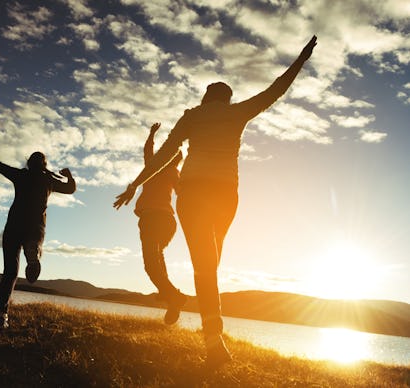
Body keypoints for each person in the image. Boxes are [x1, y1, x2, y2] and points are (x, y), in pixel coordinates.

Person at [114, 36, 317, 367]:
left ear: (208, 96)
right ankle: (214, 339)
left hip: (194, 193)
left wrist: (134, 184)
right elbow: (276, 90)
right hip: (226, 196)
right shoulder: (237, 112)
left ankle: (213, 339)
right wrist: (301, 60)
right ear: (227, 98)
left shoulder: (192, 117)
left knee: (204, 265)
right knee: (210, 264)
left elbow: (164, 156)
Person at [0, 131, 76, 328]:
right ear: (45, 165)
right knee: (36, 239)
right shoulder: (48, 181)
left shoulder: (20, 175)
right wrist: (68, 175)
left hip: (13, 226)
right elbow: (70, 189)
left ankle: (1, 315)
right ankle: (34, 250)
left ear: (28, 163)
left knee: (10, 272)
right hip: (35, 226)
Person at [134, 122, 188, 325]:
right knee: (157, 260)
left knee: (151, 266)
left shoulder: (154, 167)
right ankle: (168, 295)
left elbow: (147, 150)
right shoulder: (175, 173)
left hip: (152, 219)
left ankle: (174, 296)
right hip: (168, 222)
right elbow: (183, 194)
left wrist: (151, 134)